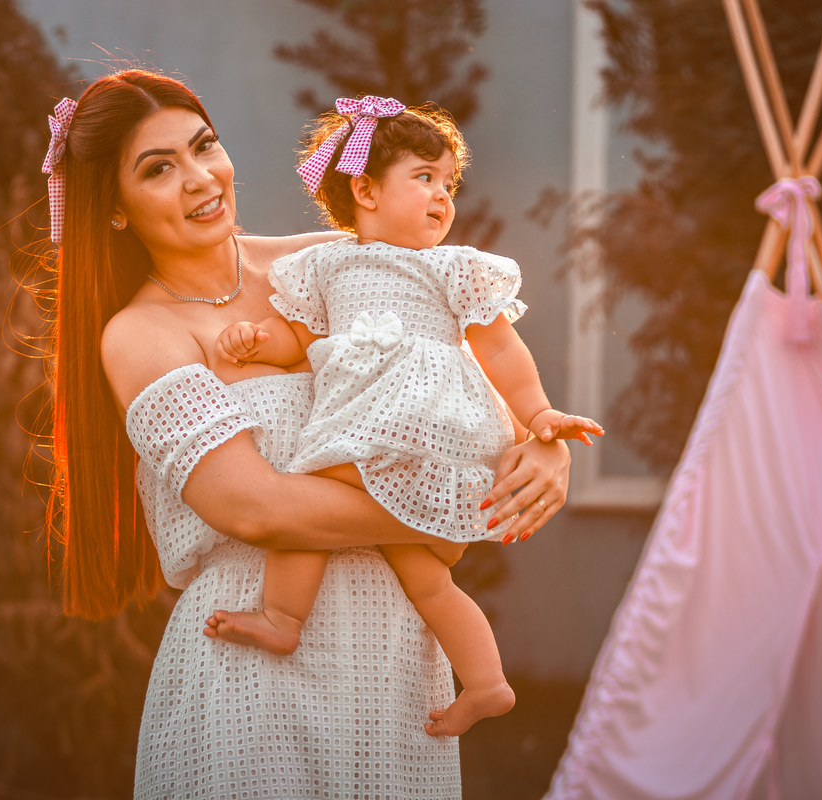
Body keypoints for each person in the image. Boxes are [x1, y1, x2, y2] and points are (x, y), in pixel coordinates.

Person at [43, 70, 574, 799]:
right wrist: (452, 508)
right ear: (114, 208)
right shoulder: (140, 336)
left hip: (398, 663)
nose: (200, 179)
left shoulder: (334, 262)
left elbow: (462, 403)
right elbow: (255, 509)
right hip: (252, 676)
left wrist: (544, 445)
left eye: (204, 147)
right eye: (159, 168)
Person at [208, 97, 603, 737]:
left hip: (427, 423)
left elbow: (499, 346)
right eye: (424, 178)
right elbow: (299, 341)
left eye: (448, 182)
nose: (443, 196)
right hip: (372, 425)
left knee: (303, 504)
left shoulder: (451, 267)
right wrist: (257, 341)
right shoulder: (325, 265)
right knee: (427, 580)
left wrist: (539, 416)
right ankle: (486, 682)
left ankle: (284, 618)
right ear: (364, 188)